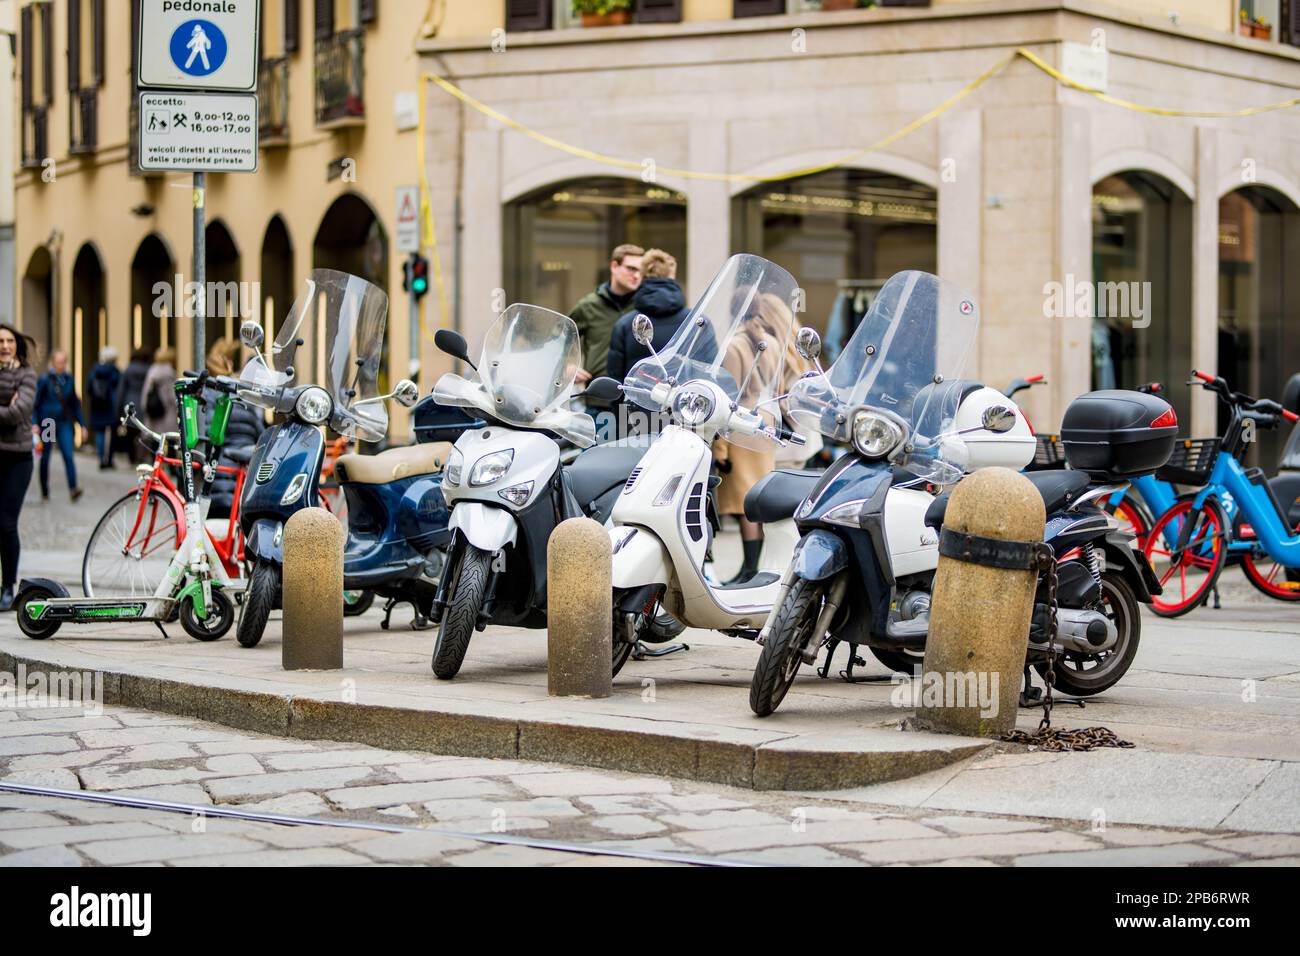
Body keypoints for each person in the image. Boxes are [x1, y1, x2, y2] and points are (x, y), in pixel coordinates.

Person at [713, 293, 810, 584]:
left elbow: (728, 399)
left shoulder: (735, 345)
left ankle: (750, 567)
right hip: (765, 423)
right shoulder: (773, 343)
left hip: (741, 426)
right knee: (756, 497)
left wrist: (720, 448)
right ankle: (754, 566)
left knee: (745, 503)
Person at [606, 249, 690, 385]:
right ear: (672, 275)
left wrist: (622, 407)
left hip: (636, 404)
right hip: (683, 404)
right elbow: (711, 372)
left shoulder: (625, 324)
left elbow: (616, 384)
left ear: (642, 274)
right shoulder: (697, 322)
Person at [204, 338, 263, 518]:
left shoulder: (207, 397)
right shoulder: (245, 398)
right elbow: (260, 434)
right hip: (244, 478)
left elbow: (206, 435)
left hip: (216, 479)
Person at [569, 243, 643, 388]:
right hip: (598, 398)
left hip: (637, 397)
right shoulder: (588, 306)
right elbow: (558, 340)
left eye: (641, 271)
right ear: (614, 266)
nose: (637, 276)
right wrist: (568, 366)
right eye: (631, 269)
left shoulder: (645, 306)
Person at [0, 325, 38, 610]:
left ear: (17, 345)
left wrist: (11, 403)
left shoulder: (27, 374)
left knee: (6, 523)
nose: (5, 345)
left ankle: (8, 587)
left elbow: (18, 412)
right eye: (0, 341)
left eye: (10, 340)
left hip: (18, 458)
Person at [32, 350, 86, 502]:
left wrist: (82, 425)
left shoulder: (69, 379)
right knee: (46, 456)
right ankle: (44, 491)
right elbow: (35, 404)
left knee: (68, 455)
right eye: (58, 362)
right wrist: (35, 423)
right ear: (53, 362)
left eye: (63, 362)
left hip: (64, 422)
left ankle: (73, 488)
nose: (61, 365)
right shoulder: (44, 380)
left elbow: (75, 404)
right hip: (48, 423)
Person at [87, 346, 123, 470]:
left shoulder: (95, 370)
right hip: (111, 405)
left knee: (100, 432)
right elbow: (120, 389)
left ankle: (101, 458)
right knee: (112, 432)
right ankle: (110, 459)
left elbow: (89, 388)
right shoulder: (115, 372)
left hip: (97, 405)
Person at [119, 347, 152, 463]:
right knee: (143, 431)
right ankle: (142, 456)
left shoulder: (128, 370)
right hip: (144, 402)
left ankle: (131, 457)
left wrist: (118, 407)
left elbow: (122, 389)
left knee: (130, 432)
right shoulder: (149, 369)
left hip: (130, 402)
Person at [140, 347, 178, 437]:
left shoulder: (152, 371)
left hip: (153, 414)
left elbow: (145, 393)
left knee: (156, 442)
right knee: (169, 440)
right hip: (166, 414)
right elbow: (173, 396)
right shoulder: (169, 373)